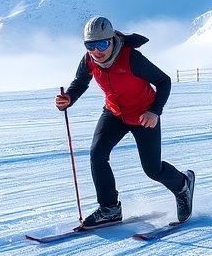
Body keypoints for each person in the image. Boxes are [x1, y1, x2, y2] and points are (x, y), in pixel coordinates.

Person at [55, 15, 195, 228]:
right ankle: (110, 208)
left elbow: (163, 81)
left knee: (152, 169)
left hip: (143, 115)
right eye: (90, 45)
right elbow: (81, 82)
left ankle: (183, 185)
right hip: (114, 113)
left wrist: (154, 111)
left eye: (102, 44)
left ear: (112, 40)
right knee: (97, 155)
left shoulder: (131, 58)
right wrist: (69, 98)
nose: (96, 51)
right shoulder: (88, 60)